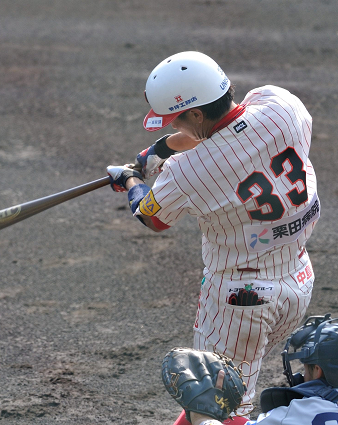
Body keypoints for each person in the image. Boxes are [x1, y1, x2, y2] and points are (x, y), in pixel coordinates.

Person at [106, 51, 319, 417]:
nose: (176, 128)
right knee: (211, 399)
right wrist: (155, 151)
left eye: (177, 121)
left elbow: (152, 218)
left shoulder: (186, 173)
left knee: (220, 405)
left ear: (196, 114)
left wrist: (130, 179)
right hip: (298, 279)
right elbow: (230, 130)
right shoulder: (281, 105)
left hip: (241, 300)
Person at [182, 314, 338, 425]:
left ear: (317, 370)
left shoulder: (301, 411)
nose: (304, 374)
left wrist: (202, 416)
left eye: (306, 368)